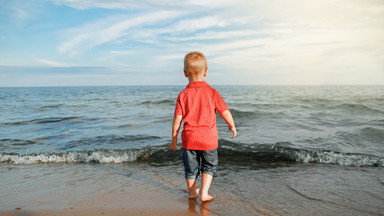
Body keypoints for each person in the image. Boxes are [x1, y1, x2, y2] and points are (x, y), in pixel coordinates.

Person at [169, 51, 236, 202]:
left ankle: (192, 193)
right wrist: (232, 125)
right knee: (209, 166)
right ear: (205, 72)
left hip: (189, 139)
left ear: (185, 73)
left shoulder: (183, 95)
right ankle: (204, 193)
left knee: (190, 168)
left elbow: (177, 119)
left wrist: (174, 137)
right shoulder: (212, 92)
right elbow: (225, 112)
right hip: (208, 140)